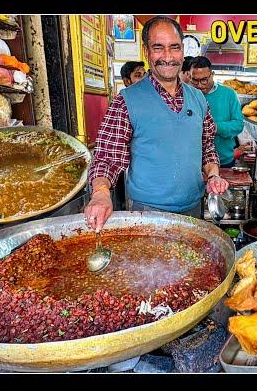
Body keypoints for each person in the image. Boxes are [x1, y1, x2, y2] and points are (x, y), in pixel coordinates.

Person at [84, 16, 228, 231]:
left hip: (194, 209)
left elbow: (207, 147)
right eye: (158, 48)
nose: (168, 56)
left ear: (182, 50)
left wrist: (214, 174)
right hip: (146, 212)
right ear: (146, 51)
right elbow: (107, 158)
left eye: (175, 47)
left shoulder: (198, 98)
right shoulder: (126, 101)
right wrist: (100, 195)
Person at [189, 56, 244, 168]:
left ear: (212, 74)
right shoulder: (187, 95)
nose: (199, 85)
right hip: (193, 162)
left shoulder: (229, 94)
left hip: (224, 160)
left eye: (204, 79)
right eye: (195, 80)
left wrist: (214, 127)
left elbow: (238, 124)